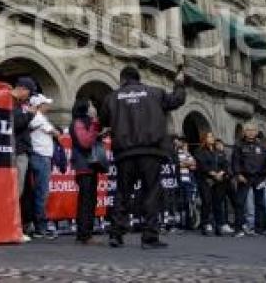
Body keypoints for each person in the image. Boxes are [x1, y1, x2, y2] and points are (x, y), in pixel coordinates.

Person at [100, 65, 186, 249]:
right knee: (152, 193)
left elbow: (103, 120)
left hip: (125, 153)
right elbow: (177, 100)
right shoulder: (155, 92)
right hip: (151, 152)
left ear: (122, 80)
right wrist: (179, 83)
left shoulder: (112, 97)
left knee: (122, 193)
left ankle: (116, 234)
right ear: (139, 78)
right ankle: (149, 237)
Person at [68, 98, 102, 243]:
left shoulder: (84, 122)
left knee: (90, 200)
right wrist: (94, 123)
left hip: (90, 166)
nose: (94, 107)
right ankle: (84, 234)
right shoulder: (78, 122)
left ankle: (85, 233)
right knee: (86, 201)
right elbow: (85, 142)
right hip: (84, 166)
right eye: (91, 105)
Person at [28, 93, 60, 239]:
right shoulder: (38, 117)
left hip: (39, 156)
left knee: (38, 192)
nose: (48, 105)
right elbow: (56, 133)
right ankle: (40, 227)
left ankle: (37, 225)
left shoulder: (38, 117)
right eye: (46, 103)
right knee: (41, 192)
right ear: (40, 106)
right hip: (40, 157)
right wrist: (56, 132)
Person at [231, 123, 266, 238]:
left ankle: (258, 229)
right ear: (244, 132)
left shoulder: (261, 146)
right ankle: (238, 229)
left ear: (256, 132)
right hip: (244, 177)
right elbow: (235, 161)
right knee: (239, 203)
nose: (251, 132)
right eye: (248, 130)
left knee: (259, 204)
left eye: (253, 130)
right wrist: (238, 174)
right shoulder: (239, 145)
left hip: (259, 178)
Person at [194, 131, 234, 236]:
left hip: (218, 181)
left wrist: (220, 173)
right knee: (206, 202)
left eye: (212, 136)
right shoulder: (200, 152)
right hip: (205, 180)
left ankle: (218, 225)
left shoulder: (217, 152)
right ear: (204, 139)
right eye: (209, 136)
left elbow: (225, 164)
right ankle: (205, 224)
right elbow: (202, 166)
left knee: (218, 203)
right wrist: (212, 174)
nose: (211, 138)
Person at [11, 76, 35, 243]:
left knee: (20, 192)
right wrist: (30, 116)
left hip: (20, 151)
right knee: (16, 191)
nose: (29, 96)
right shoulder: (13, 103)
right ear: (23, 89)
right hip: (17, 152)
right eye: (29, 92)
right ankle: (14, 228)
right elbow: (15, 123)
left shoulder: (19, 105)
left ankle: (16, 227)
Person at [174, 136, 197, 230]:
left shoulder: (187, 153)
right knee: (179, 202)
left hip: (187, 181)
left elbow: (194, 165)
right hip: (177, 180)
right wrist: (187, 163)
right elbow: (176, 164)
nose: (182, 144)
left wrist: (185, 163)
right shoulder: (174, 153)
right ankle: (179, 223)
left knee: (188, 202)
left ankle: (188, 223)